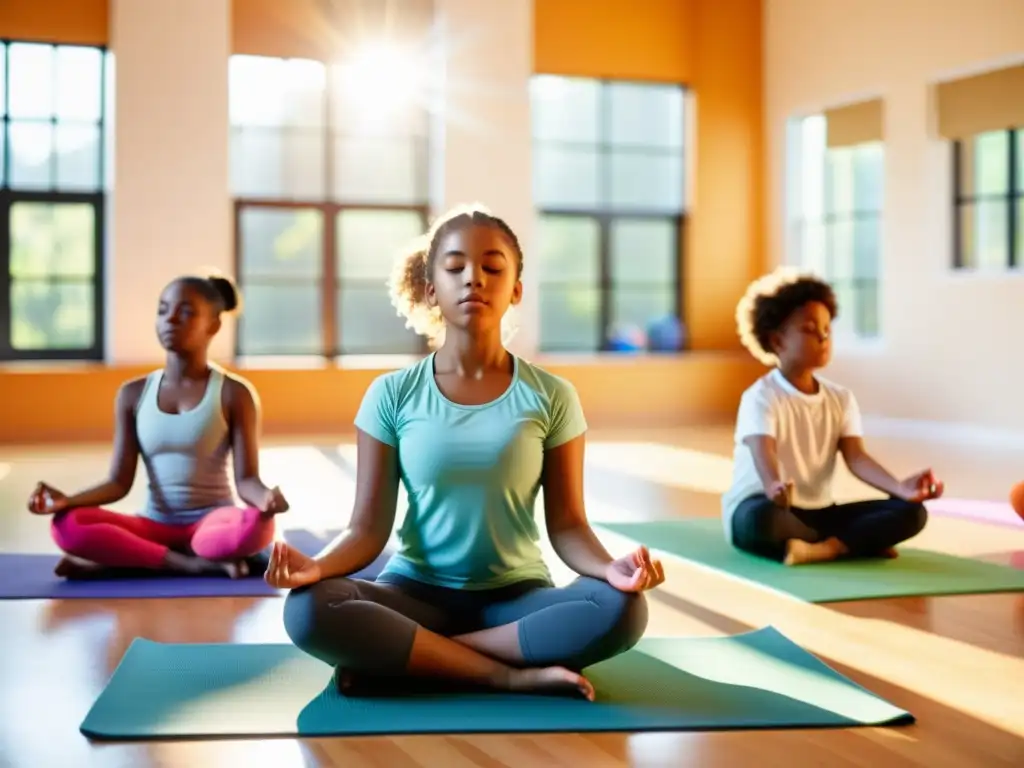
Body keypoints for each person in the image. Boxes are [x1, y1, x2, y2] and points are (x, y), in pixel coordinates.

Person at [264, 204, 662, 701]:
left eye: (492, 267)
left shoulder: (553, 395)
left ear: (516, 289)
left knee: (622, 608)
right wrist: (317, 568)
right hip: (413, 593)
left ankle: (416, 658)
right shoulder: (391, 395)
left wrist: (611, 570)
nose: (473, 278)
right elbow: (366, 530)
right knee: (308, 608)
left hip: (517, 599)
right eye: (454, 268)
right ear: (432, 289)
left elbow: (568, 525)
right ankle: (503, 673)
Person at [26, 273, 288, 579]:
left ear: (213, 325)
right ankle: (190, 564)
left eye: (186, 312)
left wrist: (266, 500)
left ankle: (122, 564)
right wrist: (68, 500)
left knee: (257, 527)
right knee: (67, 524)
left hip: (212, 524)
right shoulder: (133, 394)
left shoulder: (235, 393)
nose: (170, 320)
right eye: (163, 310)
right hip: (152, 524)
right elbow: (118, 482)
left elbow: (247, 481)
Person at [721, 268, 943, 566]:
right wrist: (774, 485)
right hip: (768, 506)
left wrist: (900, 487)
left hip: (820, 513)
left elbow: (857, 458)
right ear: (777, 341)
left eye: (827, 328)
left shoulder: (841, 398)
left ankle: (828, 548)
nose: (823, 336)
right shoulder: (760, 396)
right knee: (761, 522)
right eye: (810, 329)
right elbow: (764, 450)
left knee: (912, 513)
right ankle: (856, 543)